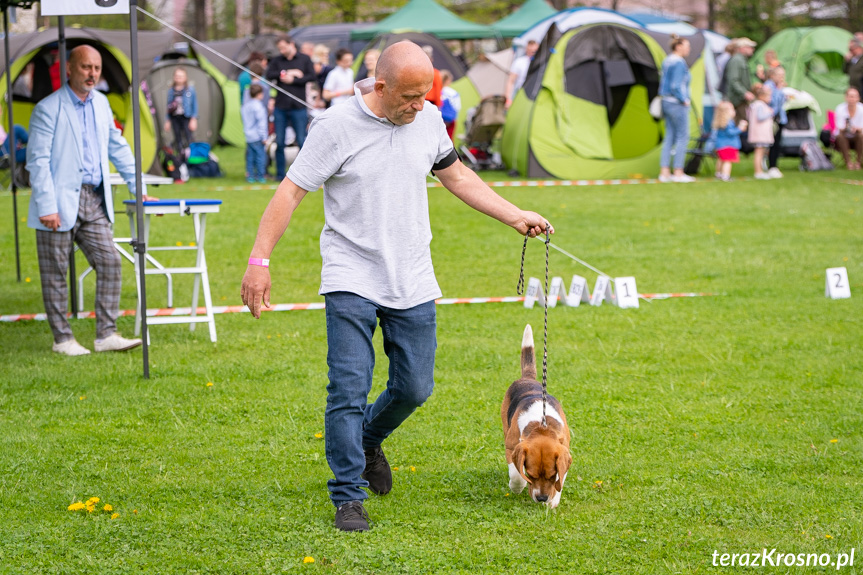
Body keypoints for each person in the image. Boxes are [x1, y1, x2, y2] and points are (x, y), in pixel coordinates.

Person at [240, 41, 553, 533]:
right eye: (409, 95)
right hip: (350, 274)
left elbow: (458, 177)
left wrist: (515, 216)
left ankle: (367, 439)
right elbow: (291, 191)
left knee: (414, 386)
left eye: (425, 93)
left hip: (411, 274)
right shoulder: (335, 127)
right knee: (348, 387)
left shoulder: (426, 119)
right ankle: (347, 494)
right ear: (380, 86)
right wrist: (260, 259)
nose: (419, 104)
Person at [26, 45, 154, 356]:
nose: (92, 73)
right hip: (56, 202)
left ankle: (106, 335)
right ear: (69, 69)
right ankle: (63, 340)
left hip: (94, 200)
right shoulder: (47, 108)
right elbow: (37, 161)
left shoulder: (102, 104)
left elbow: (118, 147)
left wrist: (139, 187)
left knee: (110, 262)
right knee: (55, 274)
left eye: (96, 68)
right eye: (86, 67)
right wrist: (47, 206)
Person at [266, 35, 315, 179]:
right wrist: (286, 74)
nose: (281, 50)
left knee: (301, 140)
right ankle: (280, 175)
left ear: (291, 44)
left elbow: (311, 76)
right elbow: (269, 74)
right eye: (279, 48)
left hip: (298, 106)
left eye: (283, 47)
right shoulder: (277, 61)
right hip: (281, 106)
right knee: (279, 142)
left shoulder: (304, 59)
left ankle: (304, 174)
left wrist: (294, 79)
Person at [658, 35, 694, 183]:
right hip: (676, 103)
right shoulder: (679, 62)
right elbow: (676, 85)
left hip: (665, 102)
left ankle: (664, 172)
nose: (689, 49)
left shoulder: (667, 60)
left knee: (669, 137)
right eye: (687, 46)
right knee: (682, 137)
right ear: (678, 47)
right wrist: (684, 99)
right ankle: (678, 172)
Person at [164, 67, 198, 153]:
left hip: (186, 117)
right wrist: (167, 120)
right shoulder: (171, 90)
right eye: (177, 76)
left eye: (181, 76)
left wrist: (194, 119)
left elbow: (195, 104)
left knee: (189, 137)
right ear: (174, 77)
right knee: (177, 137)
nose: (179, 78)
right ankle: (181, 155)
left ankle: (192, 155)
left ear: (185, 77)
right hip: (175, 117)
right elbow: (168, 106)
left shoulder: (190, 89)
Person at [710, 101, 747, 182]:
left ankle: (719, 173)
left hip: (720, 145)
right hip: (728, 145)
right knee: (727, 161)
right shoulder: (728, 122)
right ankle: (726, 176)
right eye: (732, 110)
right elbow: (731, 133)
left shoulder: (720, 123)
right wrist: (740, 129)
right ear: (726, 112)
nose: (734, 111)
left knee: (721, 160)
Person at [724, 38, 757, 123]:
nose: (752, 49)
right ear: (742, 48)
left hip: (740, 99)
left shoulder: (741, 60)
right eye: (749, 47)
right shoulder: (737, 60)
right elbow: (733, 80)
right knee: (740, 123)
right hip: (737, 99)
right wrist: (745, 93)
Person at [763, 66, 787, 178]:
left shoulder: (779, 87)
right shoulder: (768, 86)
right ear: (773, 75)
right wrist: (779, 91)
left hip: (780, 118)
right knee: (771, 143)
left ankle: (773, 166)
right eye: (779, 75)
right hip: (771, 119)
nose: (782, 78)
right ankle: (771, 166)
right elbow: (772, 102)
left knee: (777, 144)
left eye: (783, 75)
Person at [747, 85, 775, 180]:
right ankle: (758, 172)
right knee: (758, 153)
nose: (770, 98)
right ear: (761, 96)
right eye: (768, 96)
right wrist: (770, 113)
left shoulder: (755, 105)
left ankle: (760, 171)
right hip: (759, 134)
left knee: (761, 153)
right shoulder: (759, 105)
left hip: (760, 134)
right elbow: (760, 117)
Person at [242, 84, 269, 184]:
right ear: (259, 94)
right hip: (257, 136)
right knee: (260, 157)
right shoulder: (259, 107)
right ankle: (261, 176)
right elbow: (262, 123)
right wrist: (264, 137)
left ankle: (250, 176)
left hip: (248, 136)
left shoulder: (245, 106)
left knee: (250, 157)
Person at [833, 87, 863, 170]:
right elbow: (839, 127)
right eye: (850, 96)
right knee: (840, 136)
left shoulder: (861, 109)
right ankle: (848, 162)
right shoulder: (840, 109)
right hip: (844, 137)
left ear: (858, 98)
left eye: (854, 96)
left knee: (861, 136)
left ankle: (858, 162)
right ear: (846, 97)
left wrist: (856, 129)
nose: (852, 99)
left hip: (857, 137)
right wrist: (846, 128)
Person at [505, 40, 538, 109]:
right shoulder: (519, 62)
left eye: (534, 51)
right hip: (521, 95)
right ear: (526, 50)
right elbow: (511, 81)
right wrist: (508, 99)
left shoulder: (542, 63)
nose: (532, 53)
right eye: (530, 50)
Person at [439, 69, 461, 140]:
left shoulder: (438, 91)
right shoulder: (453, 92)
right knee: (447, 140)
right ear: (448, 80)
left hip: (439, 117)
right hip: (450, 120)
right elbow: (457, 107)